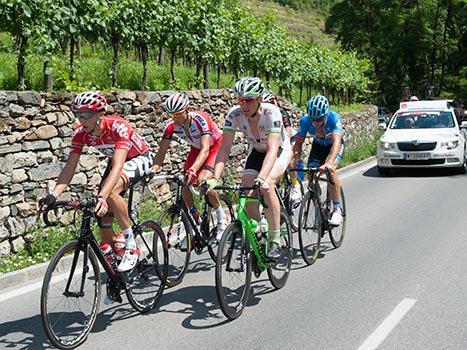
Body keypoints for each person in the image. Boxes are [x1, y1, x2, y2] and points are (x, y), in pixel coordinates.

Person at [37, 91, 153, 272]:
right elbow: (70, 167)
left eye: (86, 115)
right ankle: (115, 252)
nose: (81, 120)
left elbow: (118, 165)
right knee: (101, 216)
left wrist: (103, 196)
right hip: (115, 162)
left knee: (110, 191)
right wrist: (53, 194)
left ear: (100, 114)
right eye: (78, 115)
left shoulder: (118, 127)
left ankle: (131, 245)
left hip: (138, 158)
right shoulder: (80, 134)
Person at [209, 77, 292, 260]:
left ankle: (275, 238)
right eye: (240, 100)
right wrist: (215, 177)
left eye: (249, 100)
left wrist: (262, 178)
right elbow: (224, 148)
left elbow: (272, 149)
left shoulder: (272, 113)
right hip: (256, 151)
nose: (244, 105)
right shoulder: (234, 114)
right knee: (247, 189)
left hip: (278, 151)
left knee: (267, 184)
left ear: (259, 98)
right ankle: (260, 227)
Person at [151, 92, 227, 241]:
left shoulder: (200, 119)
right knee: (185, 182)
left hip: (214, 147)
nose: (176, 118)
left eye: (179, 114)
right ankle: (195, 216)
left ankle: (221, 216)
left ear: (187, 109)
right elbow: (161, 152)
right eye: (173, 116)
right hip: (196, 149)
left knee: (203, 181)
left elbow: (206, 149)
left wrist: (193, 169)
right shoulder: (171, 127)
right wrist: (153, 170)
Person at [293, 95, 345, 226]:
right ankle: (319, 206)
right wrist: (297, 159)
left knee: (330, 171)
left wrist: (329, 162)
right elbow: (298, 143)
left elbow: (336, 142)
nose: (316, 122)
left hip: (333, 146)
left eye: (319, 119)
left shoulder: (334, 118)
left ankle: (337, 209)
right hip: (318, 146)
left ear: (326, 115)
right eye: (313, 119)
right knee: (311, 175)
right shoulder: (305, 121)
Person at [261, 91, 301, 203]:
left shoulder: (282, 114)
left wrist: (282, 151)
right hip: (272, 142)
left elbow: (287, 133)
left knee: (289, 158)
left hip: (287, 139)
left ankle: (295, 184)